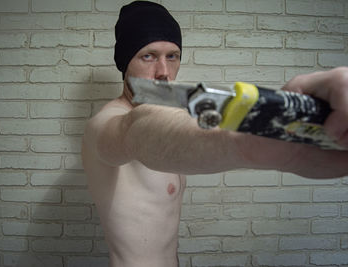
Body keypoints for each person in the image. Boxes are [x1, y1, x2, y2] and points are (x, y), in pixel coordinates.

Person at [82, 1, 348, 266]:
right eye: (148, 56)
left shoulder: (169, 111)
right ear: (125, 63)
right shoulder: (104, 124)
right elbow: (135, 131)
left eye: (172, 56)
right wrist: (248, 140)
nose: (163, 72)